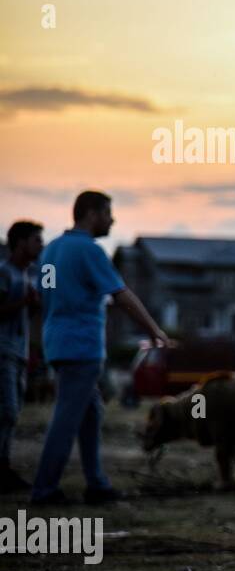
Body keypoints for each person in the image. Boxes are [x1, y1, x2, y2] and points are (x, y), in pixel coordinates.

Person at [29, 191, 170, 506]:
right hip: (82, 347)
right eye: (108, 213)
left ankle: (97, 484)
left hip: (57, 343)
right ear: (91, 214)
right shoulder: (89, 251)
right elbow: (121, 294)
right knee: (66, 419)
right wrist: (155, 331)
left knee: (91, 413)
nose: (112, 219)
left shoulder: (51, 250)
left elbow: (43, 298)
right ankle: (44, 490)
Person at [0, 220, 44, 492]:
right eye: (37, 240)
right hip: (3, 351)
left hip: (18, 352)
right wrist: (23, 303)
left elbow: (24, 315)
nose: (41, 245)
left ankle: (4, 466)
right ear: (21, 242)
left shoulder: (30, 275)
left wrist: (33, 306)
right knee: (7, 411)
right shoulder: (4, 273)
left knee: (11, 413)